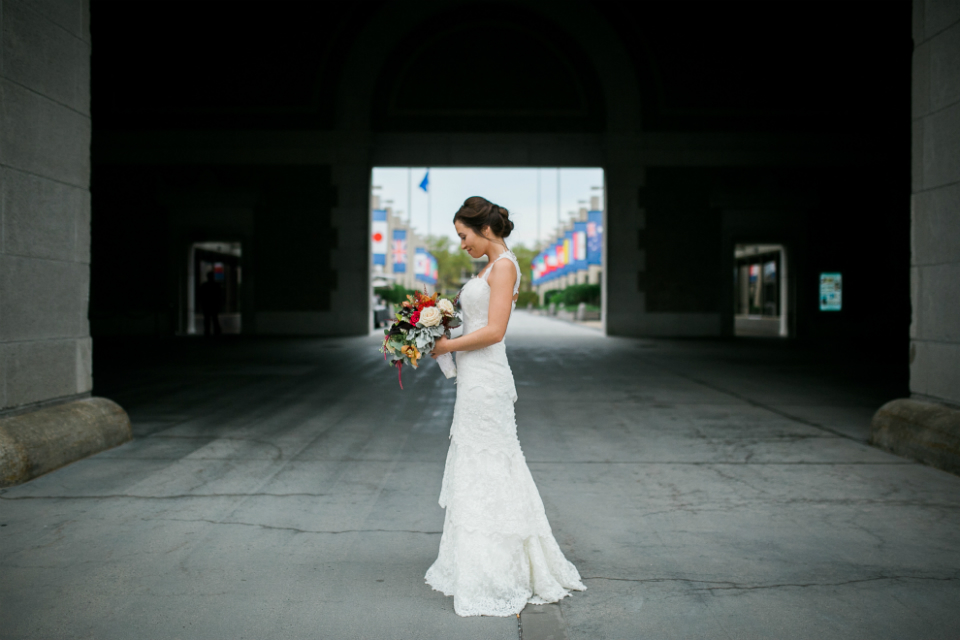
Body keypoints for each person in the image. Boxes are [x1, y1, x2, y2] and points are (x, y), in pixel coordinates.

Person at [426, 196, 585, 617]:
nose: (461, 244)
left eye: (463, 236)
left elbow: (495, 331)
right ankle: (479, 557)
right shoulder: (490, 267)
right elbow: (476, 322)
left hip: (488, 378)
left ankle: (501, 565)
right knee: (478, 461)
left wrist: (446, 343)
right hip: (475, 378)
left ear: (484, 229)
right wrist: (431, 328)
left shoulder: (506, 266)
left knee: (492, 461)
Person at [198, 270, 223, 337]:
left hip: (207, 305)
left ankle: (208, 332)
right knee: (214, 319)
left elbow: (201, 296)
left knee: (208, 320)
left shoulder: (205, 285)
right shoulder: (216, 285)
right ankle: (216, 332)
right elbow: (219, 296)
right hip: (213, 305)